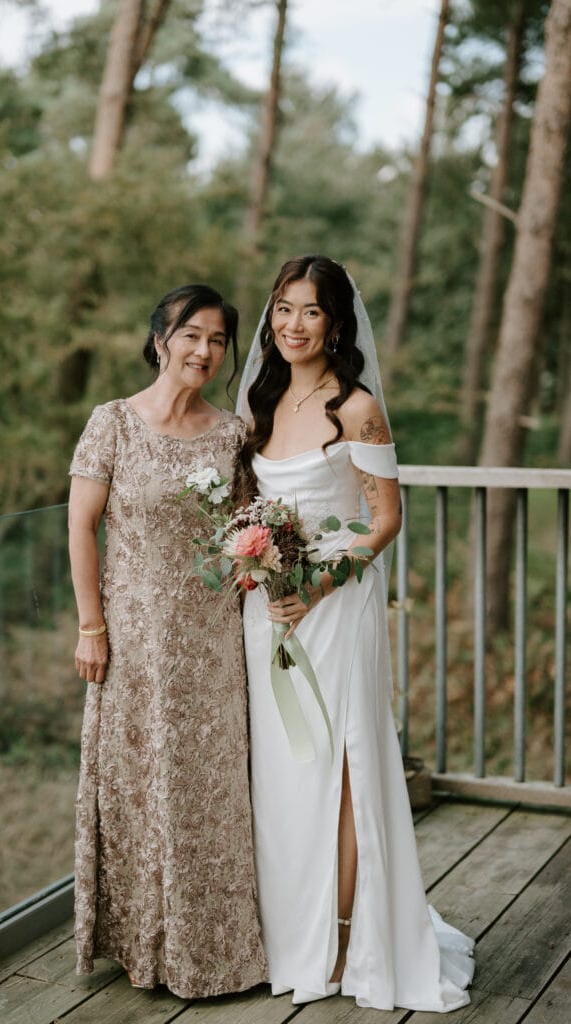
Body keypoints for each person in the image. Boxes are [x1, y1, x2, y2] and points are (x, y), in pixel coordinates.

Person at [236, 255, 474, 1010]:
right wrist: (253, 565)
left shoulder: (357, 406)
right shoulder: (260, 400)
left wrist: (317, 584)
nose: (291, 325)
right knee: (281, 778)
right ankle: (286, 934)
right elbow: (246, 505)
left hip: (334, 608)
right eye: (281, 309)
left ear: (336, 323)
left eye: (309, 312)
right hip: (267, 613)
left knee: (339, 768)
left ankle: (340, 941)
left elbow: (386, 519)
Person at [68, 284, 267, 998]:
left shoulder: (231, 433)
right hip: (132, 646)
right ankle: (141, 943)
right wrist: (91, 626)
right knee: (137, 787)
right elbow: (81, 526)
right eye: (192, 335)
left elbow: (252, 534)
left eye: (218, 340)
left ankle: (213, 953)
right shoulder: (112, 422)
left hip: (214, 645)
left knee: (210, 794)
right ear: (161, 340)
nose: (205, 351)